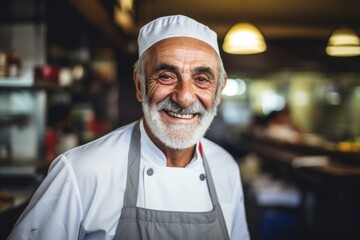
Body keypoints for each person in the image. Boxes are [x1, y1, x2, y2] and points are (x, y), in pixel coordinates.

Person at [8, 15, 250, 240]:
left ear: (219, 91)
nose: (184, 97)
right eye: (166, 76)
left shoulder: (225, 168)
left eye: (202, 79)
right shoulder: (81, 171)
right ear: (139, 84)